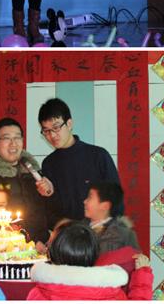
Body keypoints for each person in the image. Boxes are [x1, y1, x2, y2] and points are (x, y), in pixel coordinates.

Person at [38, 98, 122, 229]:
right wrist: (49, 194)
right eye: (46, 131)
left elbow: (116, 203)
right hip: (68, 237)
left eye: (56, 127)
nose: (52, 135)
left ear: (69, 123)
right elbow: (50, 212)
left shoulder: (98, 156)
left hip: (100, 234)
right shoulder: (49, 164)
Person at [0, 118, 49, 244]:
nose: (13, 143)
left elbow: (42, 208)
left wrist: (50, 192)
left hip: (40, 243)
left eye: (17, 137)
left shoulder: (31, 169)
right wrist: (29, 241)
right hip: (7, 246)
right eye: (6, 138)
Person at [26, 221, 153, 300]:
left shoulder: (38, 295)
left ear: (53, 254)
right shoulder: (113, 295)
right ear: (94, 253)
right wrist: (142, 278)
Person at [84, 181, 140, 254]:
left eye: (90, 197)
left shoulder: (125, 235)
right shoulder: (77, 229)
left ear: (105, 206)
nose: (85, 201)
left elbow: (135, 258)